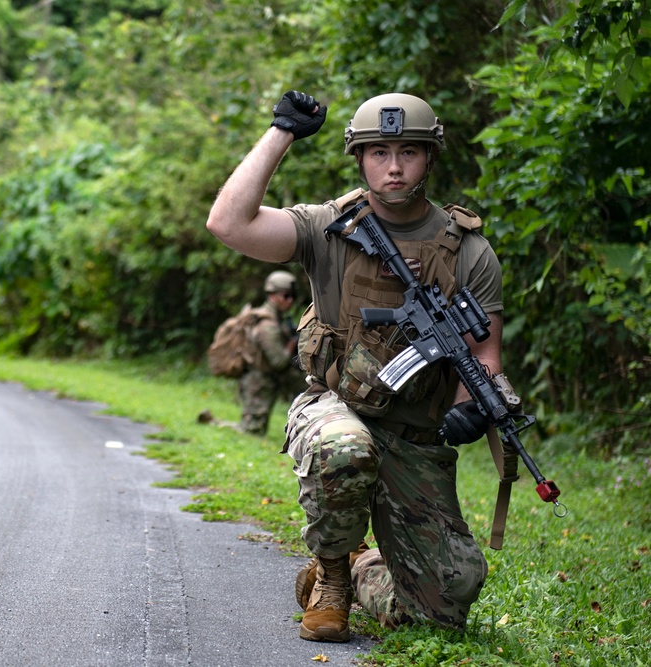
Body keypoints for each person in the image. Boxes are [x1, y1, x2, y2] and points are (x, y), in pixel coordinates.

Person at [206, 91, 504, 642]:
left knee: (451, 596)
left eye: (409, 152)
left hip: (414, 432)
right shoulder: (328, 227)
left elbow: (484, 358)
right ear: (359, 157)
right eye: (379, 151)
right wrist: (283, 134)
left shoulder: (469, 250)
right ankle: (334, 578)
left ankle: (361, 566)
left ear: (430, 157)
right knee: (345, 447)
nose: (394, 166)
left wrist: (470, 409)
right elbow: (228, 223)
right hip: (336, 407)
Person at [237, 270, 304, 435]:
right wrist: (291, 344)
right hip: (259, 383)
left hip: (266, 381)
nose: (290, 301)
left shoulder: (277, 320)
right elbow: (279, 361)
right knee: (252, 430)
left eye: (292, 296)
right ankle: (212, 421)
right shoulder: (268, 325)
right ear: (273, 295)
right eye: (286, 295)